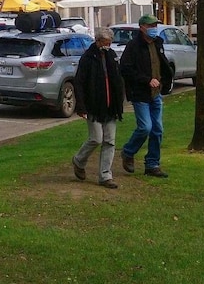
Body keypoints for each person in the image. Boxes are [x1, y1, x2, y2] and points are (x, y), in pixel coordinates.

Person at [119, 14, 174, 178]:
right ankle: (128, 152)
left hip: (156, 94)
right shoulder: (133, 46)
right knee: (145, 127)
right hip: (140, 94)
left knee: (157, 130)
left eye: (155, 25)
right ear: (142, 27)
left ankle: (152, 164)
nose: (154, 29)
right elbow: (126, 69)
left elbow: (161, 64)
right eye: (150, 26)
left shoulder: (157, 43)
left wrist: (164, 79)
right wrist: (146, 80)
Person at [71, 27, 125, 189]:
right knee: (96, 138)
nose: (108, 45)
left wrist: (119, 101)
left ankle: (105, 176)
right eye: (106, 43)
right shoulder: (88, 58)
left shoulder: (112, 56)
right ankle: (79, 160)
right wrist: (81, 106)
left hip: (110, 106)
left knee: (110, 141)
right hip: (93, 106)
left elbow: (118, 79)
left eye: (110, 43)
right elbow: (79, 82)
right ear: (98, 41)